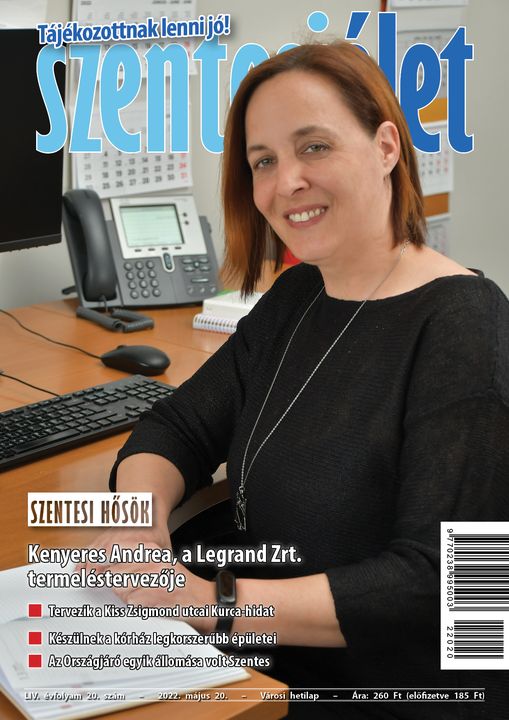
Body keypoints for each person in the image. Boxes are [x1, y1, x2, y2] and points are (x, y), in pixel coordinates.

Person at [88, 43, 509, 718]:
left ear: (385, 148)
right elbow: (178, 426)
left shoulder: (465, 326)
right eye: (263, 161)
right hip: (262, 664)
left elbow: (442, 587)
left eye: (314, 147)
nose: (286, 182)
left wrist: (205, 601)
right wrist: (139, 527)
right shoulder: (299, 294)